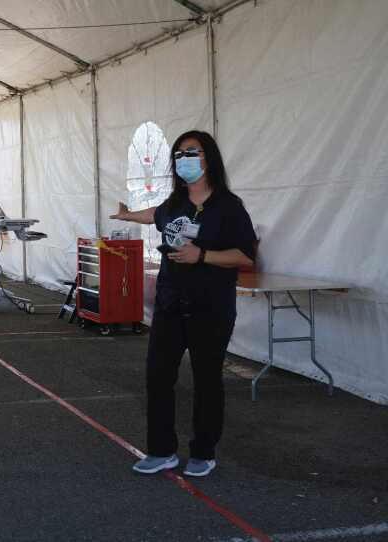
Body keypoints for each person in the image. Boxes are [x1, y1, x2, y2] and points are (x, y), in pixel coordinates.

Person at [110, 130, 256, 478]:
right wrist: (128, 216)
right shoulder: (174, 203)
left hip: (211, 306)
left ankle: (203, 452)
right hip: (170, 303)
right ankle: (162, 451)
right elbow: (155, 215)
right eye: (179, 154)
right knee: (158, 376)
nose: (184, 159)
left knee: (207, 380)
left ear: (209, 158)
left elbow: (245, 255)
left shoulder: (228, 206)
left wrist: (201, 255)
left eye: (192, 152)